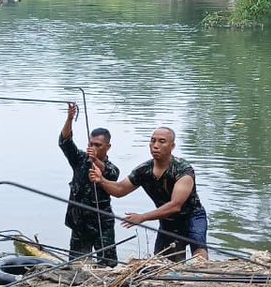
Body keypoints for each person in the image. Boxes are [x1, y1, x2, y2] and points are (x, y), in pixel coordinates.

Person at [90, 126, 208, 262]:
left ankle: (202, 273)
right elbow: (120, 190)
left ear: (172, 146)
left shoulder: (183, 170)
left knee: (198, 250)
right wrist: (101, 180)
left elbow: (175, 205)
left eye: (162, 141)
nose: (155, 145)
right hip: (168, 222)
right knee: (163, 263)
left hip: (192, 217)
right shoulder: (144, 170)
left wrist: (143, 217)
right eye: (153, 141)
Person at [58, 103, 119, 266]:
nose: (93, 147)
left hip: (101, 223)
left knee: (108, 265)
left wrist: (96, 161)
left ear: (108, 147)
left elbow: (111, 174)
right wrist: (70, 118)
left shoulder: (111, 168)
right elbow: (65, 142)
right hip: (79, 222)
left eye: (98, 145)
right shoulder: (79, 160)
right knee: (77, 265)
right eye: (91, 144)